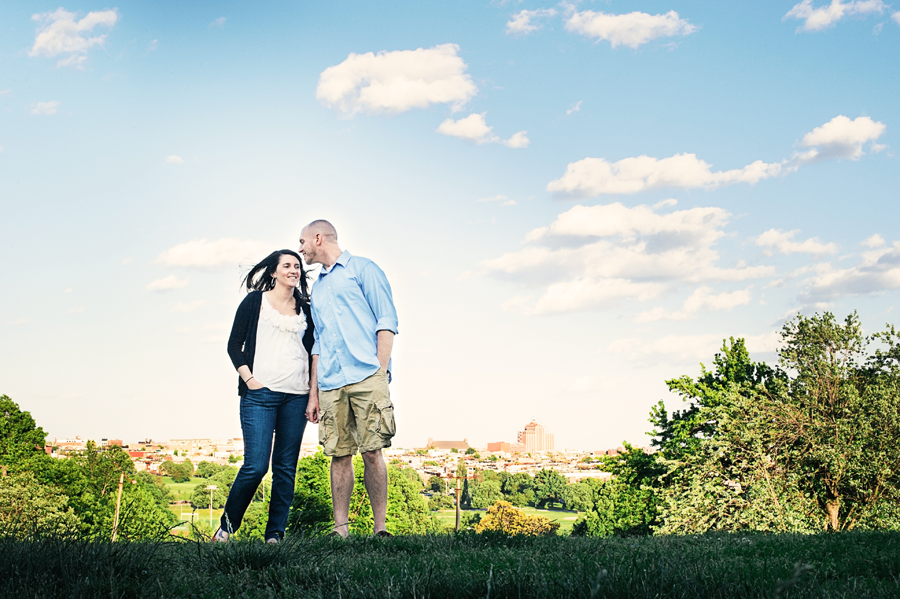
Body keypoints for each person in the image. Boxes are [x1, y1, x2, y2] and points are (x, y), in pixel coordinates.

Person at [298, 219, 398, 538]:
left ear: (318, 238)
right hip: (330, 382)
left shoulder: (364, 269)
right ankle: (341, 530)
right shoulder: (319, 286)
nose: (300, 248)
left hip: (367, 375)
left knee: (372, 451)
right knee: (338, 454)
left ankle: (379, 528)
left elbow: (387, 321)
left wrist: (379, 371)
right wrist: (314, 394)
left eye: (302, 241)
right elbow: (319, 342)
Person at [216, 249, 316, 544]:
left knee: (285, 468)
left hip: (296, 397)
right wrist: (250, 379)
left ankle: (275, 536)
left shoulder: (307, 309)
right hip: (260, 396)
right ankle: (225, 530)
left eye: (297, 266)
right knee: (256, 466)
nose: (294, 270)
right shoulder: (254, 302)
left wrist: (313, 396)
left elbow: (314, 354)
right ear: (273, 271)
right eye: (287, 265)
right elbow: (234, 344)